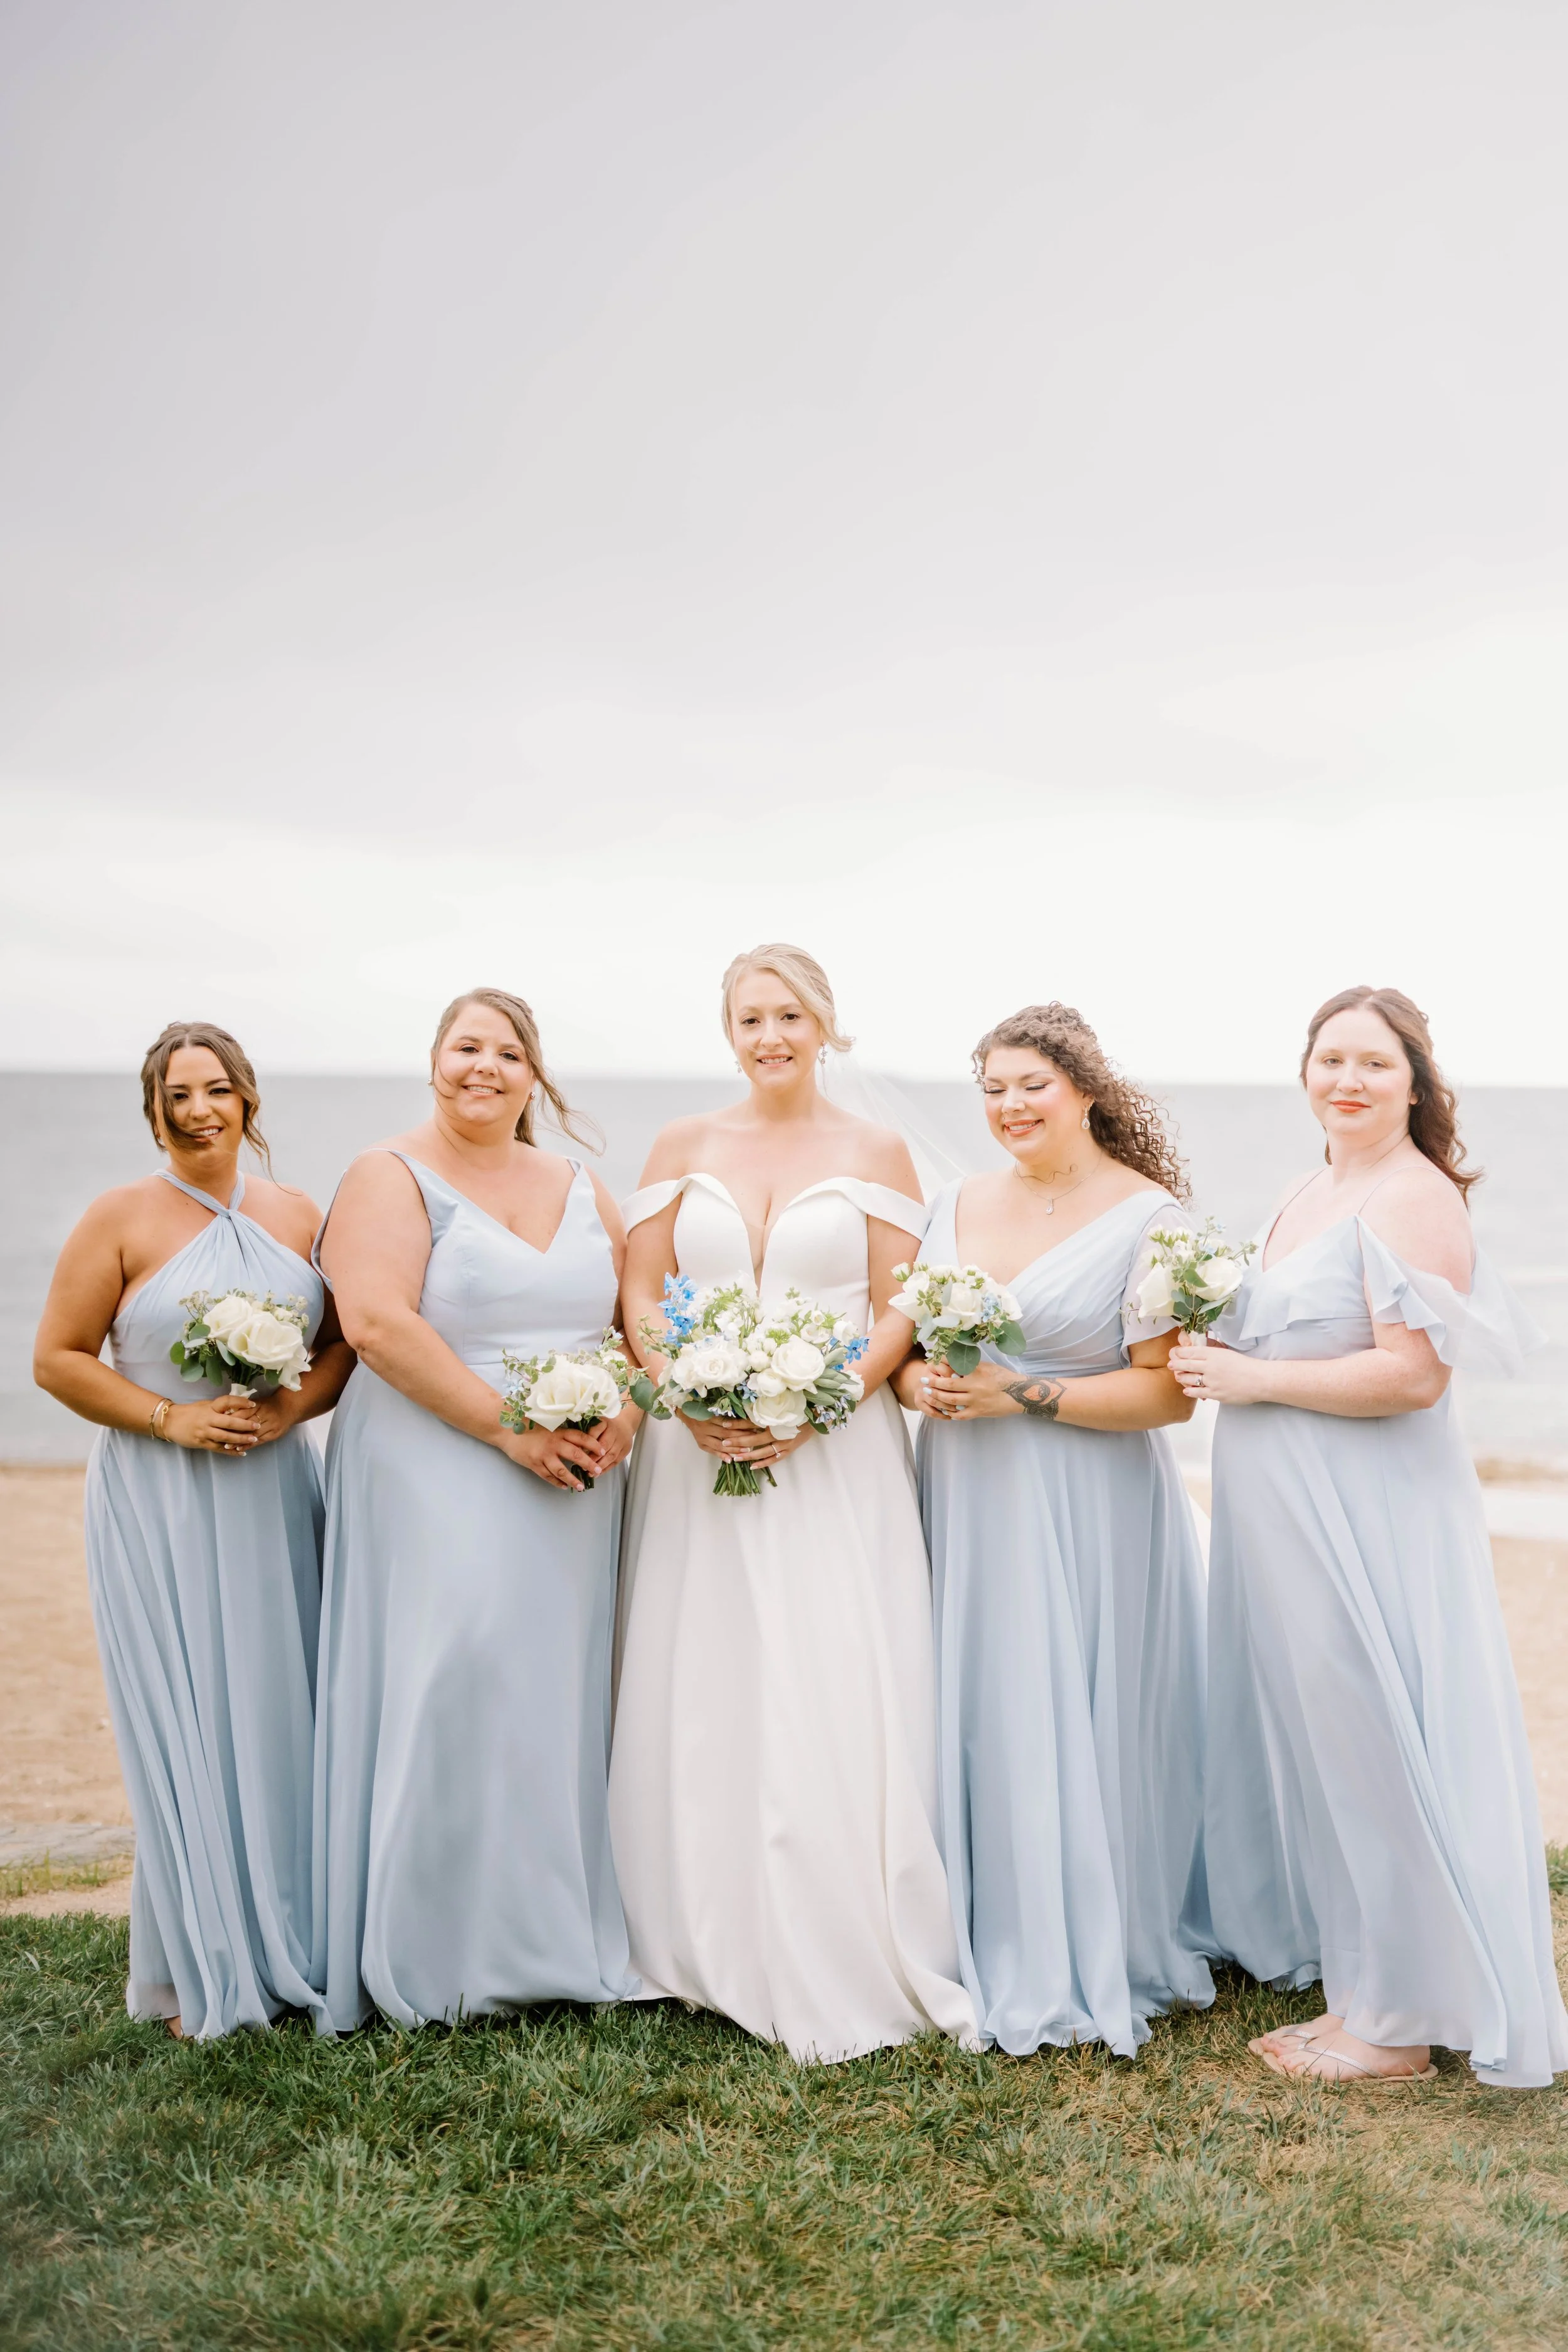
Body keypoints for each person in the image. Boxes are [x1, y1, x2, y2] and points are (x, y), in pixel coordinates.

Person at [1175, 986, 1567, 2087]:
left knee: (1375, 1745)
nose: (1347, 1079)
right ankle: (1362, 1991)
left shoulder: (1413, 1195)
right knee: (1325, 1749)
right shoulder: (1314, 1185)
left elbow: (1412, 1374)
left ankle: (1394, 2027)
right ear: (1304, 1071)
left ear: (1416, 1082)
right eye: (1329, 1058)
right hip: (1286, 1504)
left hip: (1366, 1511)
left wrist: (1249, 1375)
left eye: (1374, 1063)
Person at [610, 945, 978, 2062]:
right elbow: (639, 1289)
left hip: (832, 1449)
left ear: (826, 1026)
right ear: (729, 1030)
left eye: (790, 1015)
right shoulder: (682, 1145)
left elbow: (898, 1306)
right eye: (751, 1017)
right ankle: (692, 1929)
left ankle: (839, 1921)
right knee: (704, 1668)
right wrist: (679, 1395)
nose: (771, 1035)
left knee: (829, 1662)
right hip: (696, 1450)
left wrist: (818, 1403)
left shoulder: (876, 1150)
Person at [312, 988, 635, 2030]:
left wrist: (627, 1407)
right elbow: (373, 1323)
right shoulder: (388, 1173)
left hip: (576, 1469)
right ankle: (440, 1949)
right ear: (434, 1061)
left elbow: (641, 1319)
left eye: (508, 1052)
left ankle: (550, 1940)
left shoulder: (583, 1181)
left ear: (534, 1075)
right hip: (438, 1452)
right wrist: (507, 1428)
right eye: (466, 1047)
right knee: (454, 1673)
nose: (484, 1067)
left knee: (555, 1687)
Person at [897, 1003, 1214, 2057]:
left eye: (1031, 1083)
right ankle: (974, 1925)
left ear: (1085, 1088)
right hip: (965, 1490)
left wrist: (1021, 1394)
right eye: (991, 1087)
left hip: (1087, 1504)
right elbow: (901, 1353)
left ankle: (1079, 1931)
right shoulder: (949, 1201)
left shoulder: (1150, 1216)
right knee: (978, 1694)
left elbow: (1168, 1397)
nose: (1010, 1106)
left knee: (1070, 1696)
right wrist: (924, 1383)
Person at [34, 1022, 352, 2037]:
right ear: (155, 1108)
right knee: (189, 1714)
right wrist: (172, 1414)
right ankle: (203, 1958)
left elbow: (344, 1344)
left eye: (218, 1089)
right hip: (160, 1495)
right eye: (180, 1095)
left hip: (269, 1488)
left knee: (282, 1706)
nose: (201, 1109)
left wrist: (291, 1410)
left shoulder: (301, 1214)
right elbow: (58, 1358)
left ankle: (301, 1941)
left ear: (248, 1097)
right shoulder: (119, 1215)